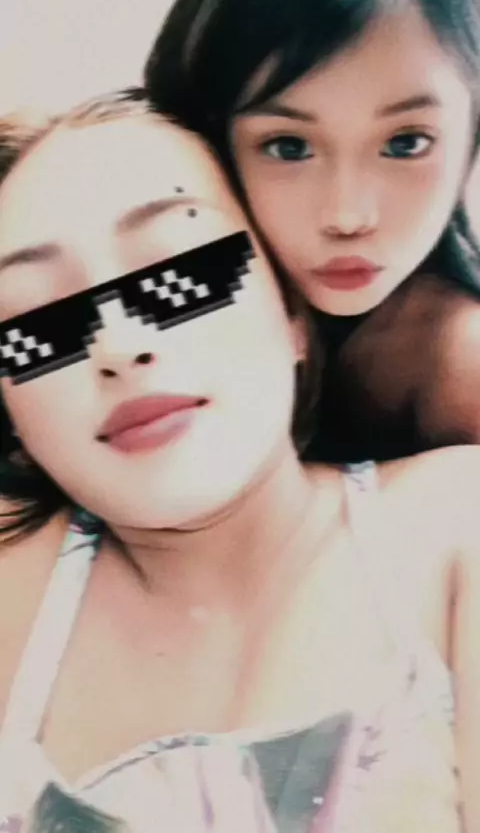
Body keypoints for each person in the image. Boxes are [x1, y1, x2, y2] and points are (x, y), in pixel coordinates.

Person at [0, 88, 479, 833]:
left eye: (181, 275)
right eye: (37, 323)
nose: (120, 346)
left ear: (292, 313)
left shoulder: (452, 529)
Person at [144, 0, 480, 461]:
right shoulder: (148, 313)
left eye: (406, 143)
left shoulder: (462, 363)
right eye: (289, 147)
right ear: (209, 141)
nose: (348, 217)